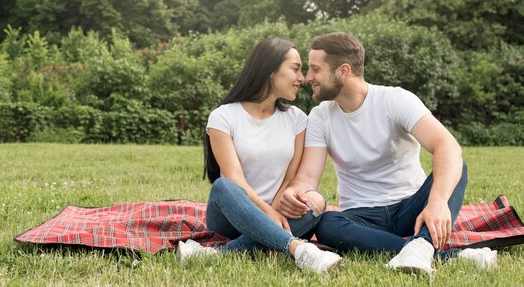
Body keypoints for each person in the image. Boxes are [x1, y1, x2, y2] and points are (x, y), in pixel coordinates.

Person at [279, 32, 498, 275]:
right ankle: (436, 253)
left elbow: (447, 145)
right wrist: (295, 191)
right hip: (361, 217)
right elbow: (308, 177)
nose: (308, 77)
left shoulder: (394, 100)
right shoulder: (321, 116)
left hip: (410, 208)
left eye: (315, 69)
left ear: (343, 70)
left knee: (457, 167)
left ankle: (422, 247)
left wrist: (436, 203)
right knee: (329, 223)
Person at [176, 37, 342, 274]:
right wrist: (268, 213)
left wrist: (276, 210)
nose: (302, 78)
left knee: (316, 200)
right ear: (271, 71)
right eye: (295, 69)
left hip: (279, 214)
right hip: (231, 214)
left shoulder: (297, 119)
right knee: (223, 185)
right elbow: (235, 180)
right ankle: (299, 249)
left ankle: (216, 255)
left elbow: (290, 178)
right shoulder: (223, 117)